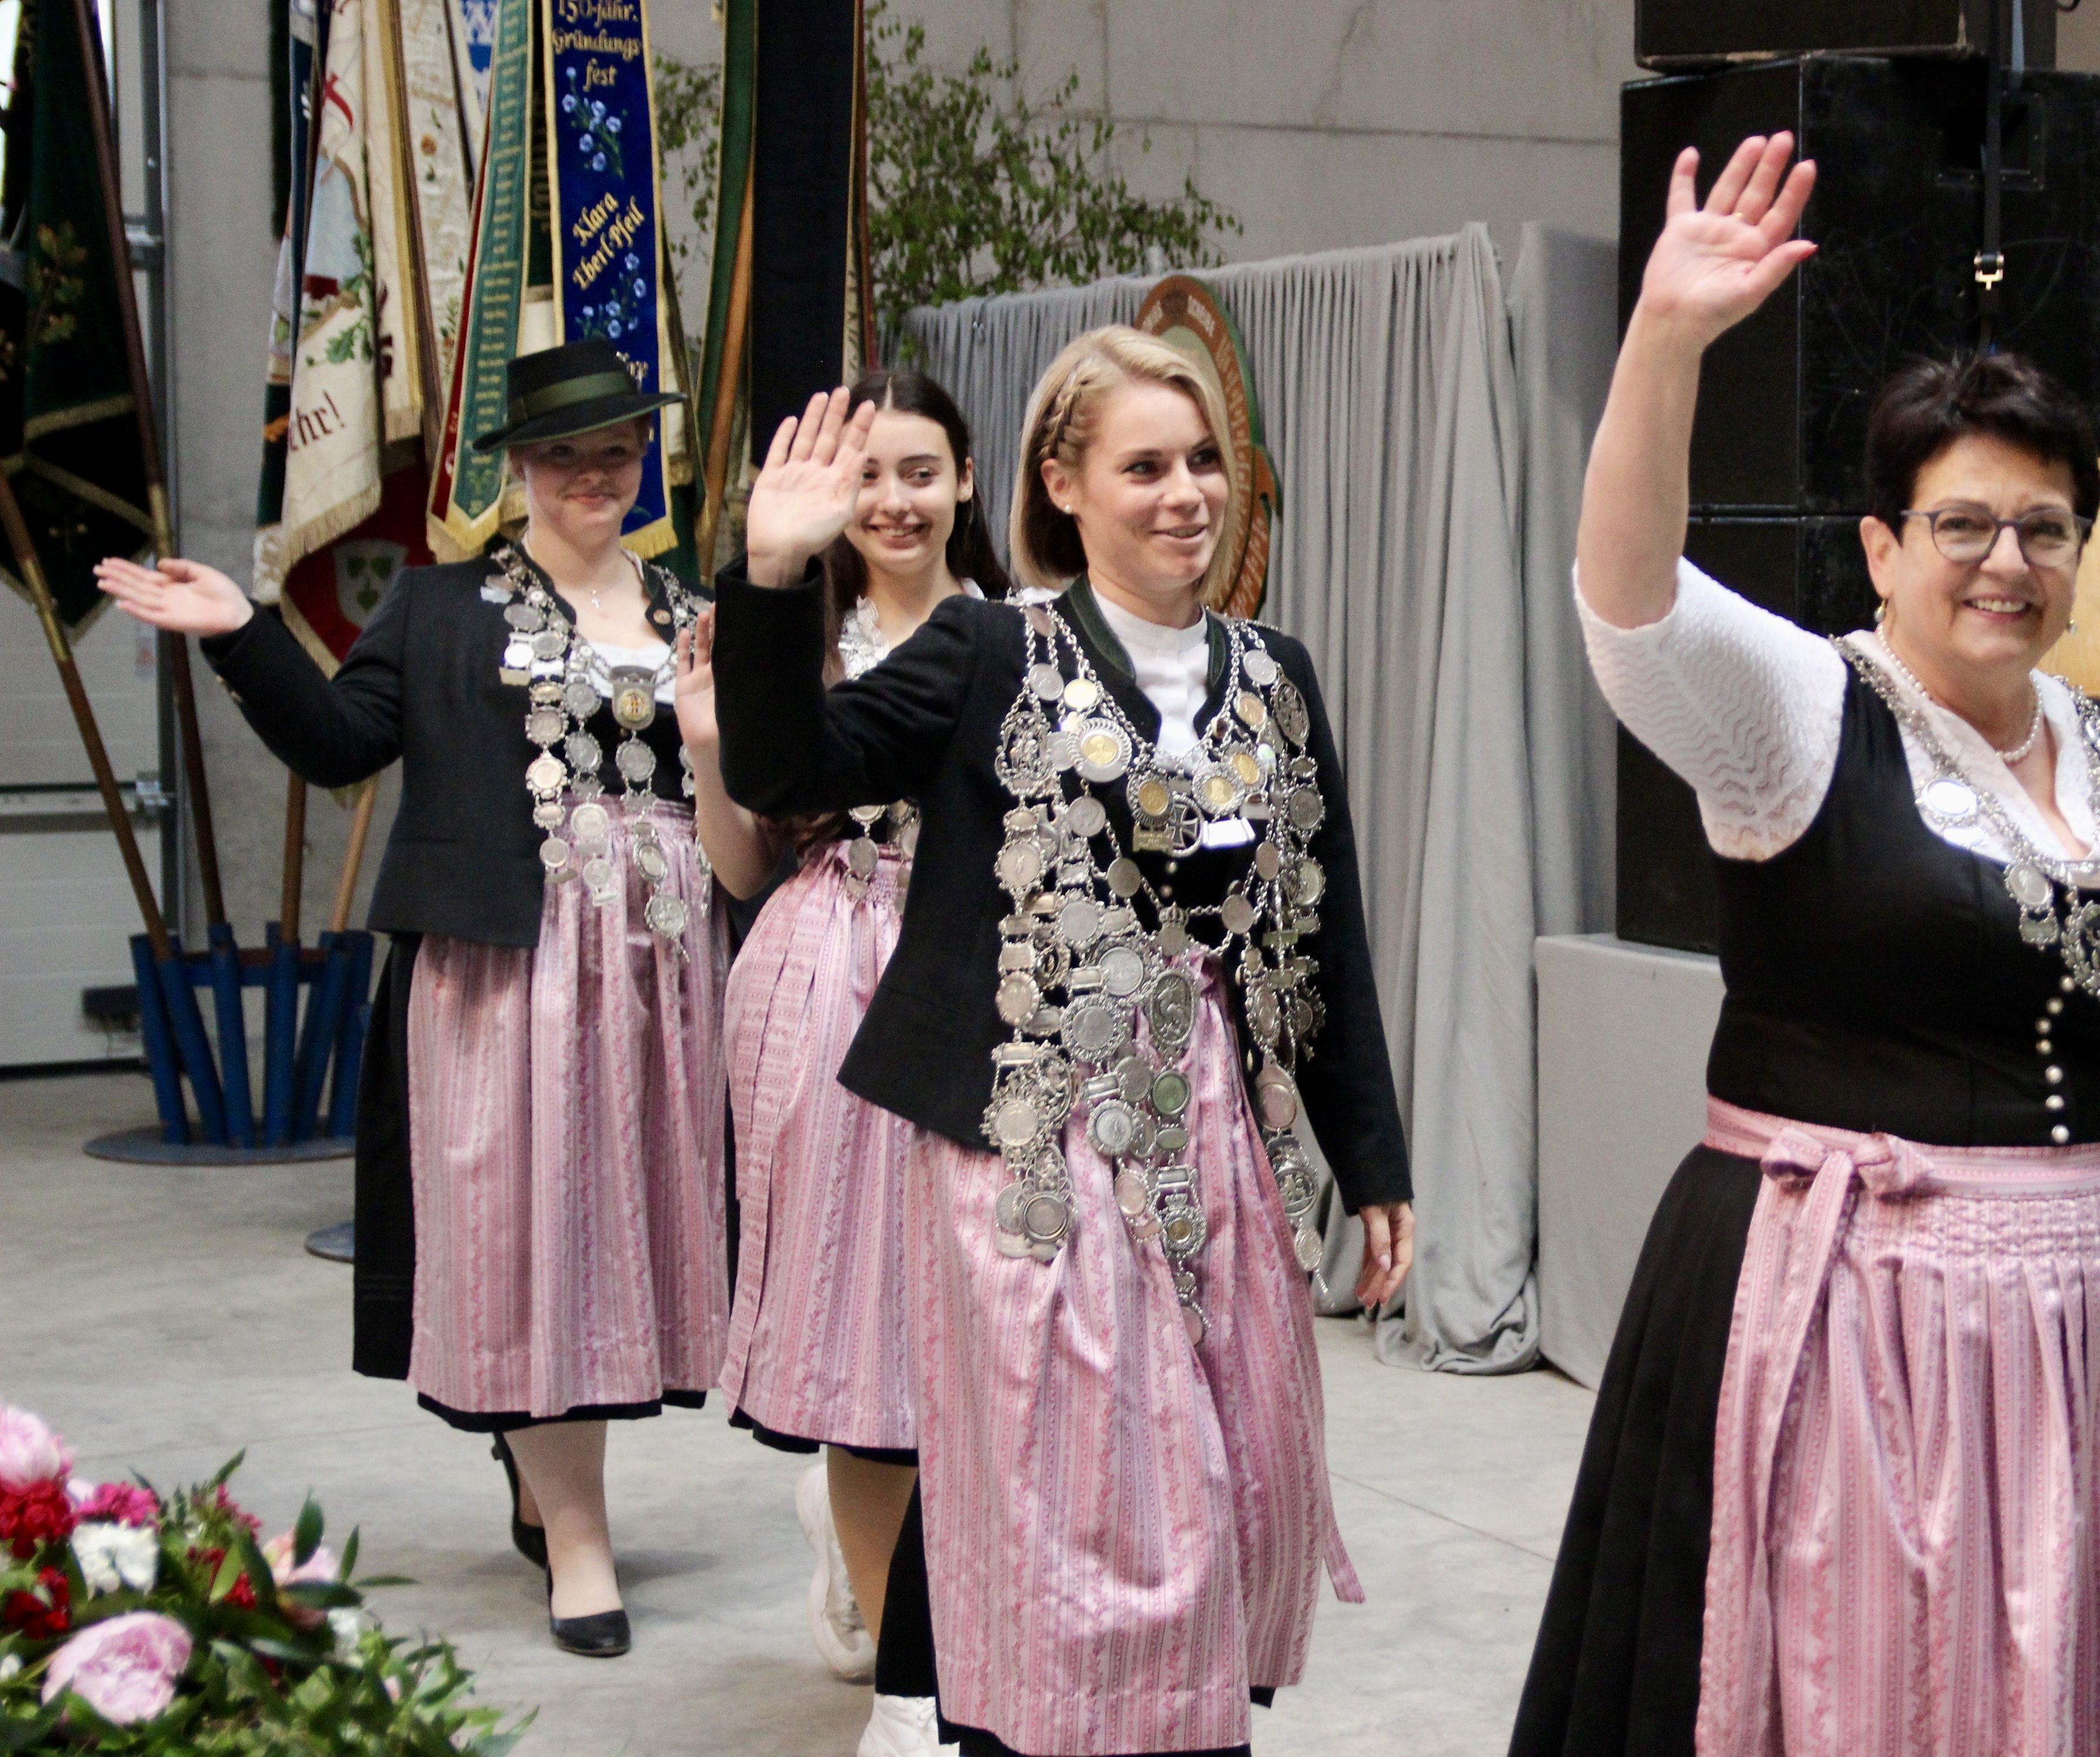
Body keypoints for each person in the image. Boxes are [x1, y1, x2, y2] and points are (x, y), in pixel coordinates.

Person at [1509, 136, 2100, 1757]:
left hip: (2083, 1331)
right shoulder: (1799, 716)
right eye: (1962, 526)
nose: (2006, 564)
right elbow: (1628, 604)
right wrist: (1664, 342)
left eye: (2044, 529)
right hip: (1842, 1317)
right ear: (1883, 547)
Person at [709, 325, 1417, 1757]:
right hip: (1031, 1153)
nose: (1185, 495)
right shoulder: (990, 648)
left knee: (1229, 1491)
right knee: (1076, 1529)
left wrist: (1374, 1159)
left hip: (1212, 1139)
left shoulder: (1275, 677)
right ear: (1063, 486)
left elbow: (1323, 936)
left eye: (1205, 460)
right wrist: (775, 576)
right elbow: (792, 770)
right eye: (1144, 465)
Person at [96, 341, 728, 1659]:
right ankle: (582, 1538)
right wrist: (243, 635)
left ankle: (537, 1466)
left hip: (665, 979)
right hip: (510, 971)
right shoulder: (445, 609)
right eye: (565, 453)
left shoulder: (690, 610)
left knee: (621, 1247)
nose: (594, 474)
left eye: (616, 448)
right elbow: (339, 748)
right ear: (517, 467)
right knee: (539, 1251)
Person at [675, 366, 1009, 1756]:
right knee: (866, 1354)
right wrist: (706, 751)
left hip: (988, 999)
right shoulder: (784, 642)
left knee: (983, 1347)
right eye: (869, 475)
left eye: (919, 470)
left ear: (970, 481)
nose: (892, 500)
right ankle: (903, 1684)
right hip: (824, 991)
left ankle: (953, 1616)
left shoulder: (1022, 638)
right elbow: (748, 865)